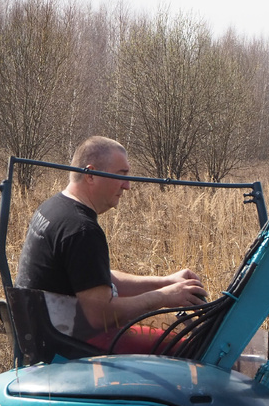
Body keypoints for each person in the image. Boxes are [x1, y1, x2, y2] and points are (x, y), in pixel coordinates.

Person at [15, 136, 207, 354]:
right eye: (121, 175)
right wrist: (164, 297)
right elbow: (100, 316)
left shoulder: (55, 208)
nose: (127, 186)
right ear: (91, 174)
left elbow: (94, 279)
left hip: (48, 332)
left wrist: (164, 282)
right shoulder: (81, 229)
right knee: (186, 347)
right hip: (68, 344)